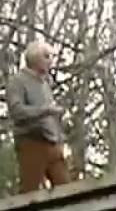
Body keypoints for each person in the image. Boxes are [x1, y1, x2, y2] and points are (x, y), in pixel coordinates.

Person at [7, 40, 71, 193]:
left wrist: (60, 137)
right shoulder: (18, 81)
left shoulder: (45, 84)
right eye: (47, 57)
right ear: (36, 58)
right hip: (31, 141)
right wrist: (45, 111)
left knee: (67, 188)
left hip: (52, 143)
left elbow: (49, 115)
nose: (51, 62)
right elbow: (17, 111)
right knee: (30, 190)